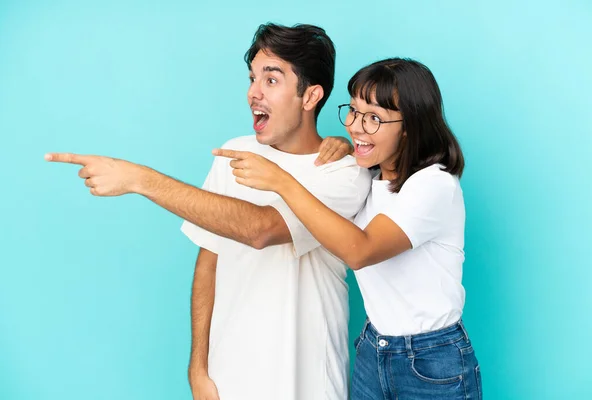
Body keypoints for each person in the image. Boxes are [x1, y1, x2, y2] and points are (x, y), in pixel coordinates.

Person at [45, 23, 369, 399]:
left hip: (310, 383)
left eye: (271, 79)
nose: (253, 93)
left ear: (310, 96)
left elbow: (260, 229)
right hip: (228, 380)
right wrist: (198, 368)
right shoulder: (234, 153)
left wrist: (139, 179)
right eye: (252, 78)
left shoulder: (344, 172)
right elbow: (209, 261)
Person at [214, 57, 483, 399]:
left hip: (430, 360)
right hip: (373, 349)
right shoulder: (368, 177)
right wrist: (345, 150)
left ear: (410, 126)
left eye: (374, 118)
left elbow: (360, 250)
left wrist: (281, 182)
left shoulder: (434, 185)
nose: (356, 127)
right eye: (354, 111)